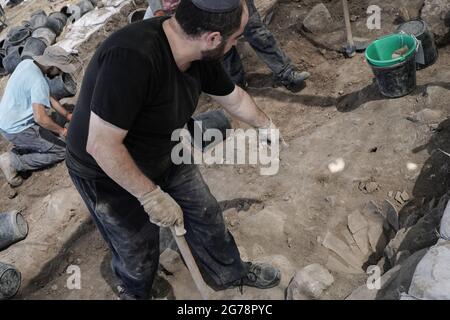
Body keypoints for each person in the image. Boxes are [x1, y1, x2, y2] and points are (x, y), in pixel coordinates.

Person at [66, 0, 282, 299]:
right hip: (106, 170)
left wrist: (266, 125)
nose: (237, 43)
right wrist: (150, 196)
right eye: (236, 37)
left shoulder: (200, 56)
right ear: (213, 38)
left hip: (164, 150)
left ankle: (230, 272)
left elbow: (234, 99)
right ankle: (137, 291)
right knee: (137, 249)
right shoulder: (131, 57)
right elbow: (101, 145)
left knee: (206, 213)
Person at [144, 0, 310, 92]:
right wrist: (158, 11)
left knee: (258, 33)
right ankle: (237, 85)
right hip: (204, 7)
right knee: (221, 47)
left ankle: (286, 73)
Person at [0, 46, 76, 187]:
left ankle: (27, 148)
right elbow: (40, 118)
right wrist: (63, 131)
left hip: (7, 120)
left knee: (51, 137)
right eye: (59, 69)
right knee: (61, 151)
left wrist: (66, 114)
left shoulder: (27, 64)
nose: (59, 73)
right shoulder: (38, 81)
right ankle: (13, 161)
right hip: (17, 128)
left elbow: (47, 94)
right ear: (52, 65)